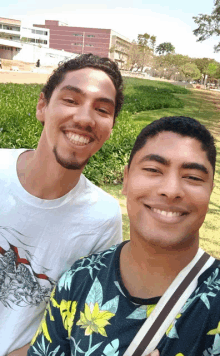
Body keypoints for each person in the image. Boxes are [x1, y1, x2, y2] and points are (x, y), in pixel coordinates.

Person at [28, 116, 220, 356]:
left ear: (210, 189)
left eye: (192, 177)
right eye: (153, 170)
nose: (171, 190)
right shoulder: (78, 281)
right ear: (126, 179)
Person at [0, 53, 124, 356]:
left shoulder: (103, 219)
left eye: (102, 109)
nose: (84, 118)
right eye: (71, 100)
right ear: (43, 105)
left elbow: (77, 324)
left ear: (109, 127)